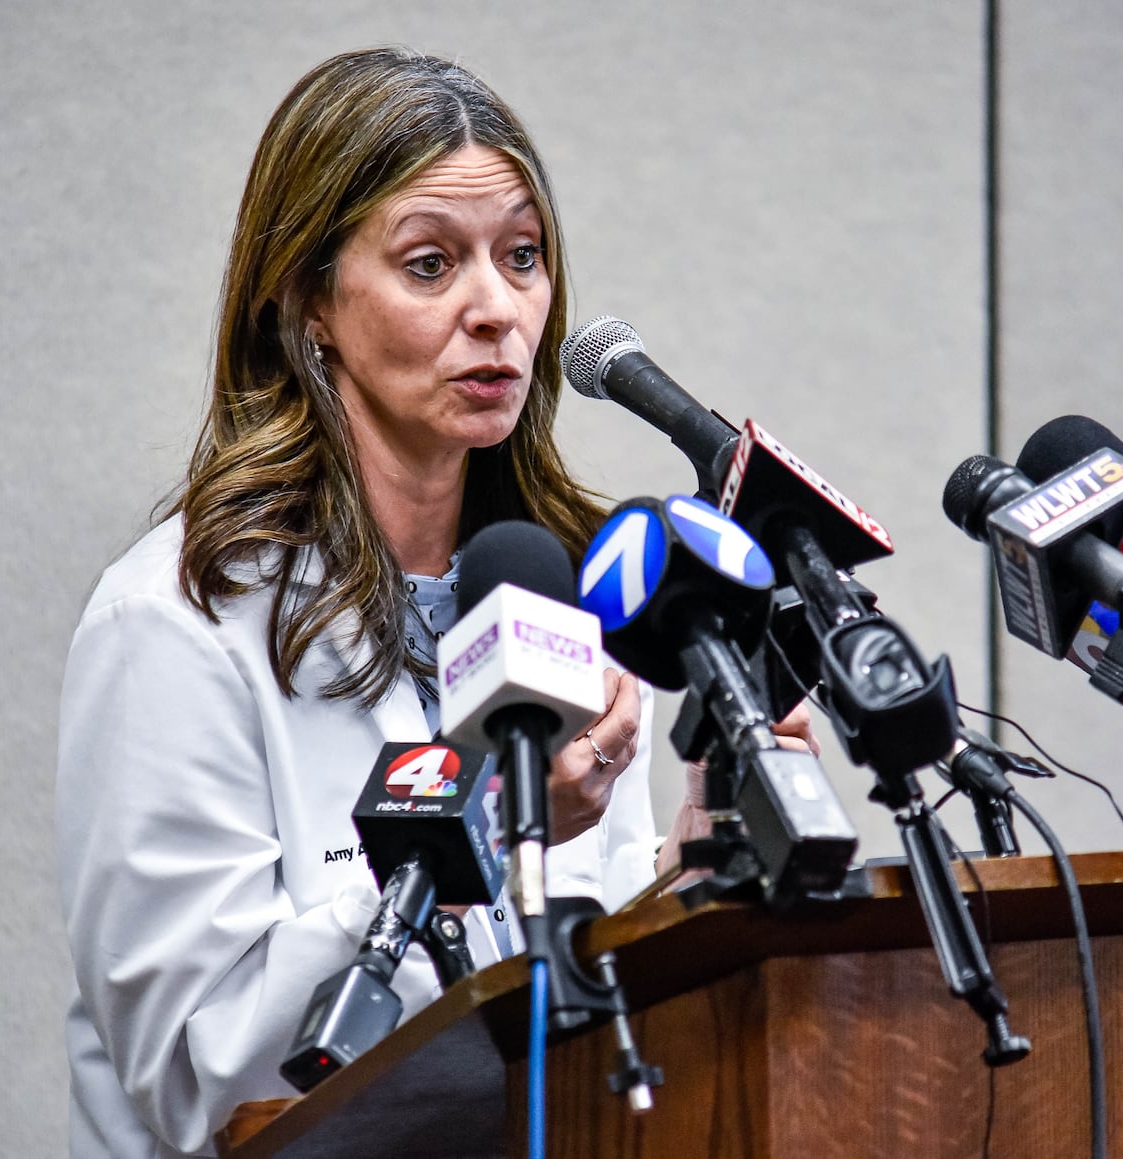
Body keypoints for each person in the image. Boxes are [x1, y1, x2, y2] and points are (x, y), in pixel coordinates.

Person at [55, 47, 813, 1158]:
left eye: (521, 257)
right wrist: (486, 833)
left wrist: (698, 856)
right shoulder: (173, 624)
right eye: (429, 264)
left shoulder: (564, 590)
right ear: (308, 299)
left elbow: (590, 989)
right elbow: (193, 1070)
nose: (497, 309)